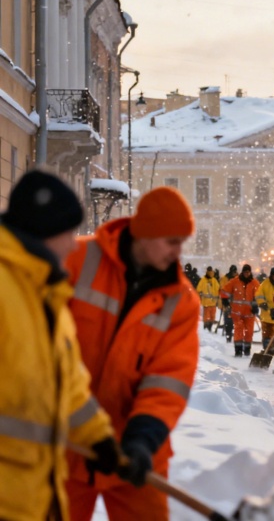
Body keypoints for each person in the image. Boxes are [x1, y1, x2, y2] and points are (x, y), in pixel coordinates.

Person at [63, 185, 200, 521]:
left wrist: (143, 439)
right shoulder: (77, 261)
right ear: (145, 234)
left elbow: (169, 380)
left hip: (133, 451)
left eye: (182, 242)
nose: (177, 252)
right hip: (65, 442)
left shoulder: (180, 302)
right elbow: (41, 346)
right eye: (171, 241)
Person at [0, 170, 119, 520]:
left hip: (36, 495)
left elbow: (68, 384)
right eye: (68, 232)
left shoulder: (48, 296)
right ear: (44, 232)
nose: (73, 244)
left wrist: (99, 438)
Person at [221, 264, 260, 357]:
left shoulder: (255, 283)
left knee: (249, 332)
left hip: (249, 313)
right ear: (242, 272)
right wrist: (225, 301)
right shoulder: (235, 281)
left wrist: (256, 306)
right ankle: (238, 350)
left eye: (248, 272)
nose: (246, 274)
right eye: (245, 272)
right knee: (238, 330)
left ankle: (247, 350)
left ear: (250, 272)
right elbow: (224, 291)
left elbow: (259, 296)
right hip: (237, 312)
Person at [255, 266, 274, 350]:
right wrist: (262, 303)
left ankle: (272, 349)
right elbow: (259, 295)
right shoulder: (265, 284)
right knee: (266, 334)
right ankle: (266, 349)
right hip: (266, 314)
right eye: (273, 275)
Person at [196, 265, 221, 331]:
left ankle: (207, 327)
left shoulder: (205, 280)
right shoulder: (213, 280)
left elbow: (198, 290)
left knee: (208, 317)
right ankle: (208, 327)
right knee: (210, 317)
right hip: (211, 302)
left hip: (208, 302)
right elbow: (219, 290)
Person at [219, 265, 238, 342]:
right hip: (227, 302)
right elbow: (222, 290)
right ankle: (228, 335)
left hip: (236, 303)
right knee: (228, 320)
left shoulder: (238, 279)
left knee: (235, 321)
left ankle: (234, 335)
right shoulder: (225, 279)